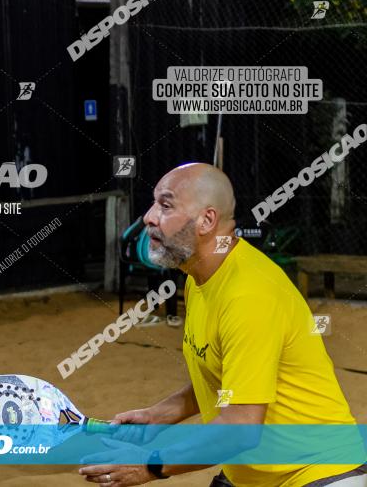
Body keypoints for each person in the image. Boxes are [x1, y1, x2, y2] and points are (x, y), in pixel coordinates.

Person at [80, 162, 365, 487]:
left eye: (165, 204)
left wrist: (149, 466)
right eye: (153, 202)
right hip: (253, 476)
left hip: (319, 472)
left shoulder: (248, 294)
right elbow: (226, 378)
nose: (148, 216)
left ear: (207, 220)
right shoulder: (199, 278)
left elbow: (240, 427)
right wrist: (158, 416)